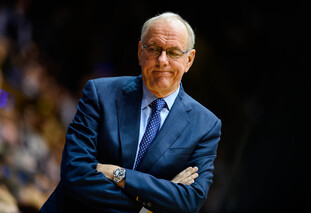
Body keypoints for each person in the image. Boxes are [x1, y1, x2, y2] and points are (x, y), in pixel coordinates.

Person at [40, 12, 221, 213]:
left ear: (189, 60)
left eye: (173, 52)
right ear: (140, 52)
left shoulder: (205, 126)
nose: (162, 60)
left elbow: (189, 202)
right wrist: (149, 209)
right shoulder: (100, 93)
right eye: (153, 49)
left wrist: (119, 174)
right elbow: (75, 174)